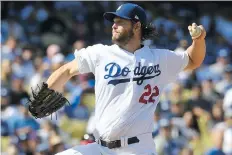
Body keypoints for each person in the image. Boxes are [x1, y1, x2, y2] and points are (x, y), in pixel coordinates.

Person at [44, 3, 206, 155]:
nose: (114, 25)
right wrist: (46, 93)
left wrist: (198, 41)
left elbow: (193, 60)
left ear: (136, 26)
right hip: (100, 147)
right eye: (114, 21)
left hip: (137, 149)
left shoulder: (159, 59)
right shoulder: (100, 54)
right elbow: (67, 70)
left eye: (120, 22)